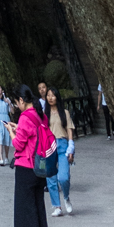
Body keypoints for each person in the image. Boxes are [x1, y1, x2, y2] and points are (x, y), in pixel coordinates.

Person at [9, 85, 53, 227]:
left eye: (16, 102)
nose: (17, 106)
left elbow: (19, 144)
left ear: (21, 100)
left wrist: (11, 132)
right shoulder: (40, 115)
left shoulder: (25, 117)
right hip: (40, 168)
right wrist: (18, 128)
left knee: (26, 211)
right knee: (38, 208)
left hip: (26, 168)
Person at [45, 89, 75, 217]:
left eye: (53, 95)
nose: (50, 98)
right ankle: (57, 206)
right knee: (51, 178)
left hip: (62, 145)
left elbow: (69, 130)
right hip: (49, 145)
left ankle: (66, 197)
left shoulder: (65, 112)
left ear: (57, 97)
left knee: (63, 177)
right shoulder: (44, 114)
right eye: (48, 95)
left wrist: (71, 147)